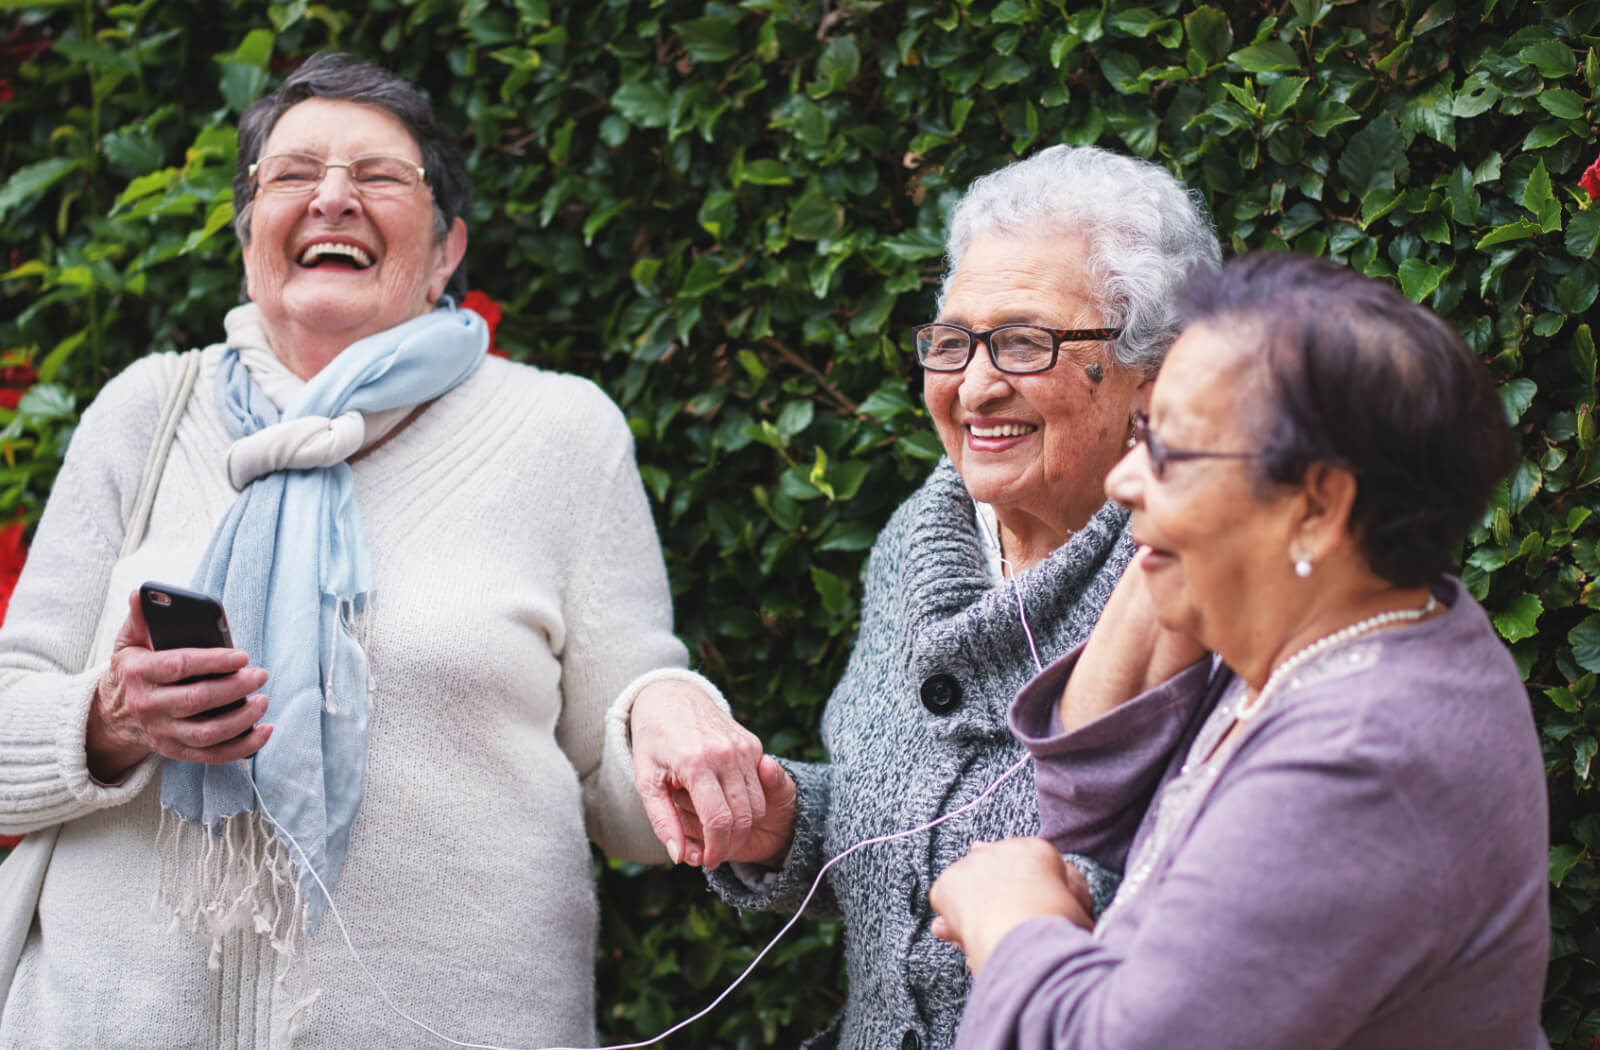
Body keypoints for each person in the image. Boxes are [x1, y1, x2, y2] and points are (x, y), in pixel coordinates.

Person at [0, 52, 717, 1048]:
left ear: (445, 248)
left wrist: (675, 721)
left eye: (379, 177)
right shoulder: (145, 412)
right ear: (250, 232)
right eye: (292, 175)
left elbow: (628, 794)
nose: (332, 197)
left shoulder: (561, 433)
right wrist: (110, 718)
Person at [623, 145, 1222, 1050]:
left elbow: (1225, 907)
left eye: (1026, 341)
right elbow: (900, 844)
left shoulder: (1194, 575)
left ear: (1155, 372)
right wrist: (786, 822)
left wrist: (1044, 908)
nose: (975, 386)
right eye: (953, 342)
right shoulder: (919, 542)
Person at [928, 252, 1549, 1050]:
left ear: (1318, 507)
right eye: (1141, 434)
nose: (1124, 483)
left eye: (1172, 453)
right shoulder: (1344, 631)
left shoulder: (1361, 756)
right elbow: (1090, 799)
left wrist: (1013, 919)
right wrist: (1182, 536)